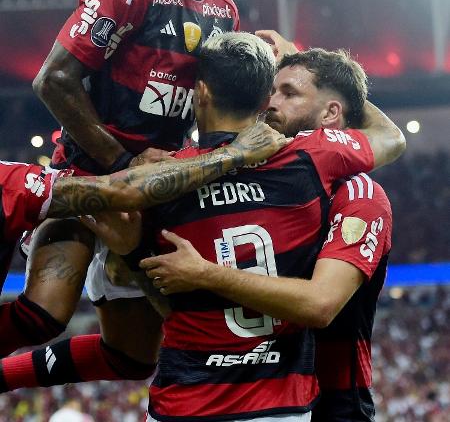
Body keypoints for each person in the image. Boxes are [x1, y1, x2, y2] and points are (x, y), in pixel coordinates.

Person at [95, 34, 403, 420]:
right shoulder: (265, 167)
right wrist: (136, 251)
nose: (271, 102)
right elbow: (177, 306)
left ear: (330, 117)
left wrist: (206, 273)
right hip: (274, 395)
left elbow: (320, 304)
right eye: (270, 89)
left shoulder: (356, 191)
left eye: (289, 93)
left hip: (334, 401)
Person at [12, 0, 238, 380]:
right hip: (87, 177)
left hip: (156, 189)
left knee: (135, 357)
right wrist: (122, 163)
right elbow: (53, 81)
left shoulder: (224, 12)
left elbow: (211, 108)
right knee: (42, 315)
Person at [0, 121, 286, 359]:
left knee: (48, 320)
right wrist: (235, 153)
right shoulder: (9, 182)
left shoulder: (9, 182)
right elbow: (125, 193)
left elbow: (120, 193)